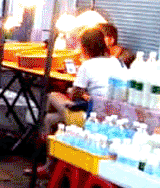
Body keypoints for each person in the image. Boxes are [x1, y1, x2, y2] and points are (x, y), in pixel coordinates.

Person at [31, 27, 127, 176]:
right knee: (50, 119)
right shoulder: (118, 63)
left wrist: (77, 92)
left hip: (92, 117)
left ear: (85, 47)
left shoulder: (87, 65)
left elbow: (75, 95)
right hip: (115, 118)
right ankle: (49, 164)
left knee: (52, 96)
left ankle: (43, 143)